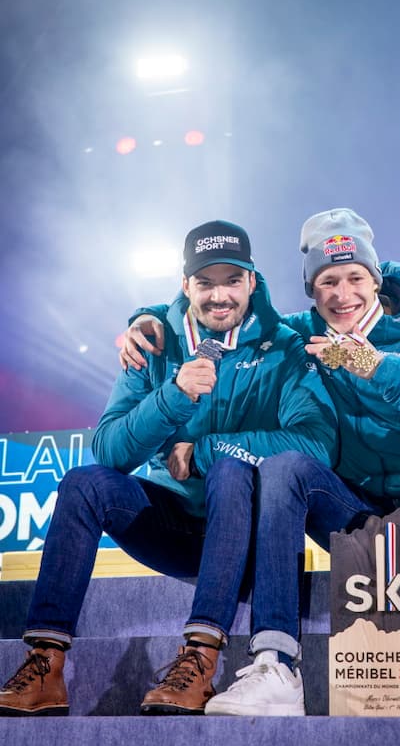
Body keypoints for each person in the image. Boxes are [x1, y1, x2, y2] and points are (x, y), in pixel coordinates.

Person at [120, 208, 400, 719]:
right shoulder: (302, 338)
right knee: (284, 466)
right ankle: (276, 666)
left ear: (375, 278)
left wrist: (381, 369)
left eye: (355, 277)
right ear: (311, 290)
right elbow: (229, 310)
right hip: (352, 515)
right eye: (326, 281)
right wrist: (150, 318)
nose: (342, 295)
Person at [0, 219, 337, 718]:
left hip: (250, 542)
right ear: (186, 286)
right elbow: (110, 451)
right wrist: (174, 396)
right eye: (205, 282)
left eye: (231, 280)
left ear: (251, 281)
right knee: (84, 484)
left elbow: (315, 444)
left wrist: (206, 450)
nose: (218, 295)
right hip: (177, 528)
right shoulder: (152, 341)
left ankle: (199, 661)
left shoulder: (285, 349)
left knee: (229, 469)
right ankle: (44, 665)